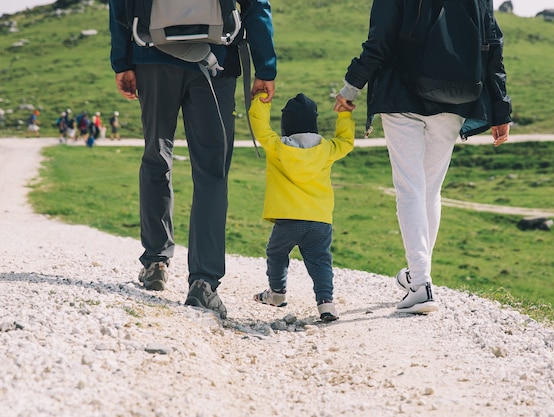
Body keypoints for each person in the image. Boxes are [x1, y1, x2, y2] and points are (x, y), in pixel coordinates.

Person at [334, 0, 512, 314]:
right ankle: (418, 276)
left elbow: (381, 40)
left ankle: (420, 282)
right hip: (456, 97)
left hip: (400, 95)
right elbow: (493, 45)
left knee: (410, 188)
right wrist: (501, 110)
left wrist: (351, 87)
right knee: (430, 190)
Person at [109, 0, 277, 319]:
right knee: (211, 172)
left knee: (157, 156)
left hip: (151, 53)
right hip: (217, 59)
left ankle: (156, 261)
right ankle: (204, 283)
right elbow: (257, 4)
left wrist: (122, 60)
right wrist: (265, 66)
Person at [248, 92, 355, 322]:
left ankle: (277, 293)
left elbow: (259, 127)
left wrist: (261, 100)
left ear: (287, 125)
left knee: (276, 253)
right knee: (320, 261)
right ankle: (326, 303)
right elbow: (346, 142)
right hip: (319, 219)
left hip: (288, 219)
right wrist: (344, 114)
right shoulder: (326, 149)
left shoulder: (277, 147)